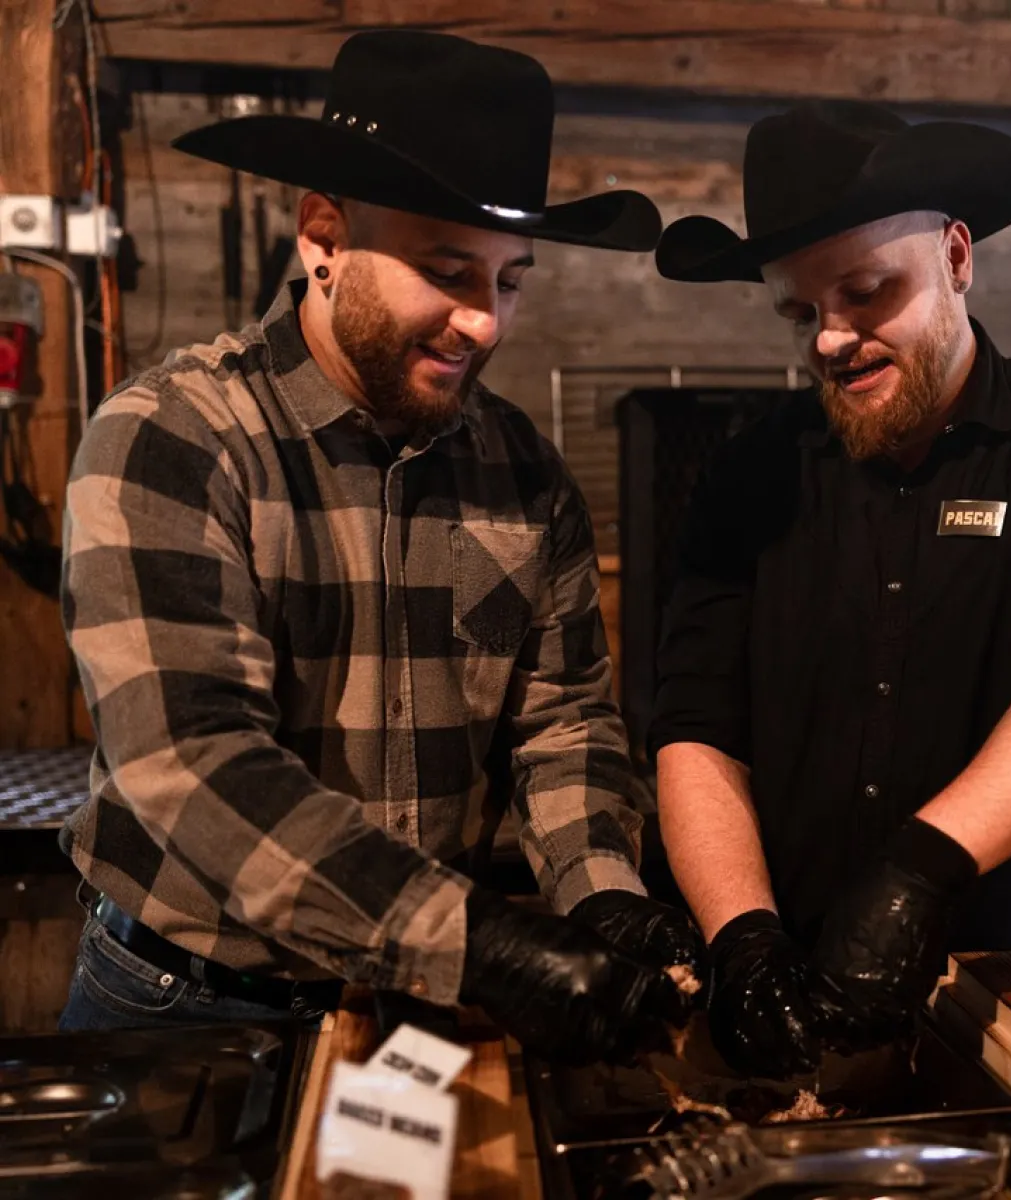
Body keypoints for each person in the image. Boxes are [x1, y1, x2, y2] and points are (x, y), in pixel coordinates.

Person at [57, 30, 701, 1062]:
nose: (483, 324)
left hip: (421, 1005)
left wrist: (605, 900)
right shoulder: (170, 438)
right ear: (322, 237)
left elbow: (564, 729)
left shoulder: (525, 471)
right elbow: (195, 764)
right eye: (448, 270)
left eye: (509, 279)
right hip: (192, 1005)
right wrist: (481, 941)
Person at [650, 101, 1011, 1077]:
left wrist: (918, 869)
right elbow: (697, 728)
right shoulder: (748, 474)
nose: (829, 339)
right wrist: (742, 937)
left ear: (955, 256)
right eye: (801, 311)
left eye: (865, 292)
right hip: (784, 994)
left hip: (1003, 997)